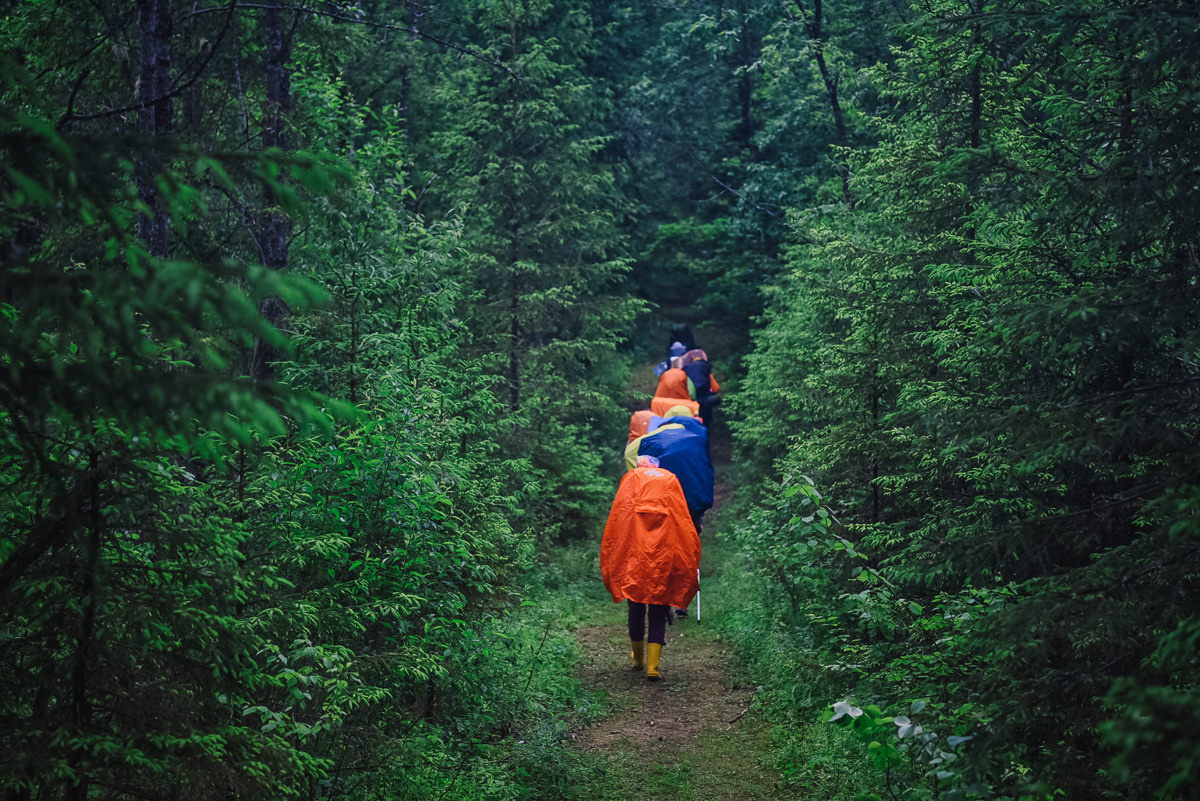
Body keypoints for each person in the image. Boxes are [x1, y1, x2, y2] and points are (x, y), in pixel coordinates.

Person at [601, 455, 701, 681]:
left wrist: (615, 556)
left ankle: (638, 659)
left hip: (635, 560)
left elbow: (619, 520)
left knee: (636, 607)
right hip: (663, 558)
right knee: (658, 609)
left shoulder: (631, 479)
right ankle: (653, 668)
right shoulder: (670, 480)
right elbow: (682, 520)